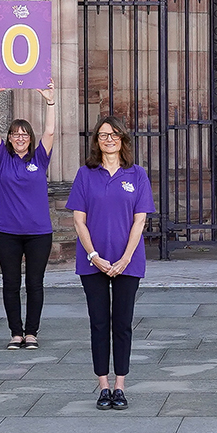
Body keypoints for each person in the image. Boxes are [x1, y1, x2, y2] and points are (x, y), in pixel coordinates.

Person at [68, 116, 155, 411]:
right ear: (96, 141)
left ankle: (120, 385)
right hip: (92, 261)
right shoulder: (85, 174)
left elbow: (139, 219)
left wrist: (125, 258)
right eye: (104, 135)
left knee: (122, 324)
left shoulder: (137, 174)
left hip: (127, 261)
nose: (109, 139)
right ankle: (102, 386)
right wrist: (94, 256)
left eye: (114, 135)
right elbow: (79, 220)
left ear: (123, 140)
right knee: (98, 323)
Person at [0, 86, 58, 350]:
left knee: (35, 283)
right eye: (15, 133)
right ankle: (16, 333)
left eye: (24, 133)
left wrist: (50, 102)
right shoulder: (3, 160)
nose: (19, 137)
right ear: (10, 138)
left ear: (30, 138)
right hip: (7, 232)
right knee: (11, 283)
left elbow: (50, 132)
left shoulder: (39, 159)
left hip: (38, 232)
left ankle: (32, 333)